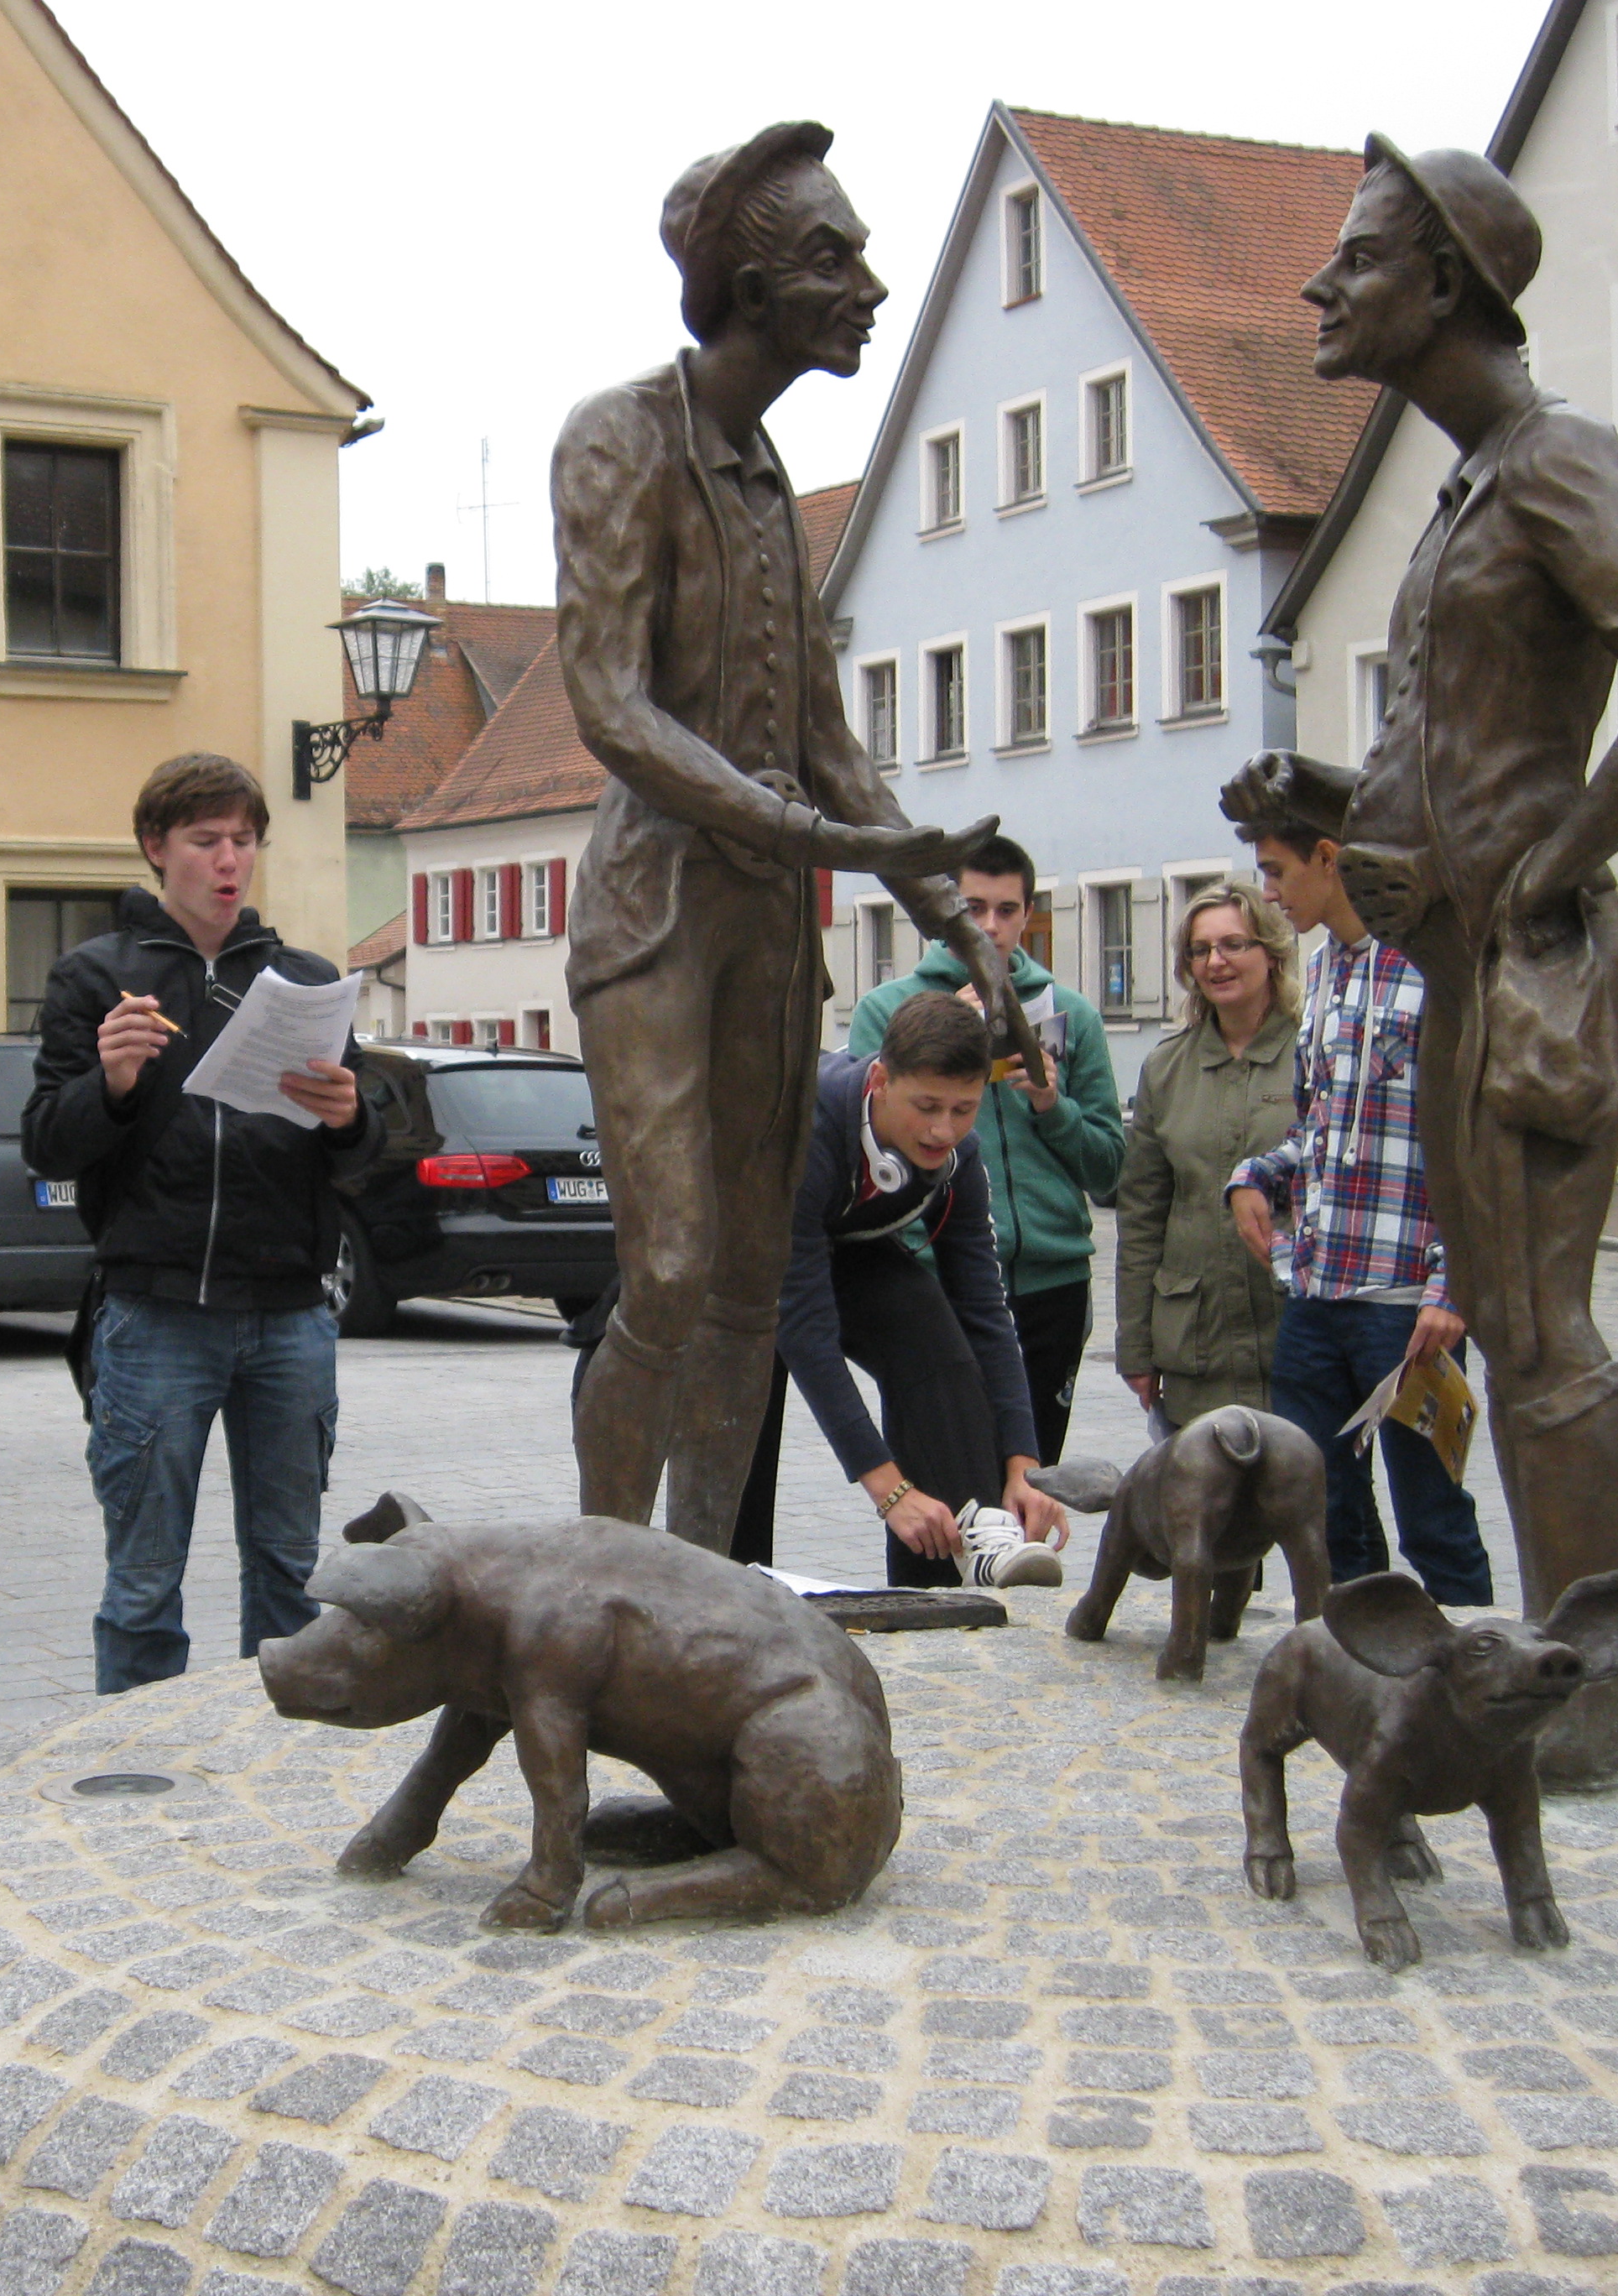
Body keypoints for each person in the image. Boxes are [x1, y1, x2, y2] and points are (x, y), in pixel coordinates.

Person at [1222, 140, 1618, 1787]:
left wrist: (1551, 865)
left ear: (1444, 282)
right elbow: (1469, 756)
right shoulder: (1468, 486)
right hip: (1463, 965)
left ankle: (1581, 1700)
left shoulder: (1555, 457)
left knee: (1535, 1333)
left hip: (1527, 974)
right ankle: (1557, 1682)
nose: (1321, 286)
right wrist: (1333, 802)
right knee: (1522, 1334)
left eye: (1358, 258)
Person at [554, 120, 1020, 1555]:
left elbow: (828, 742)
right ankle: (605, 1573)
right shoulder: (620, 438)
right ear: (752, 289)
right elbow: (608, 702)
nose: (870, 287)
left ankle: (696, 1585)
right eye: (836, 259)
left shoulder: (768, 486)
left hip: (765, 919)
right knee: (671, 1268)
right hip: (654, 916)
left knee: (752, 1285)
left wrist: (950, 918)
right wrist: (785, 821)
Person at [23, 754, 373, 1695]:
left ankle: (283, 1755)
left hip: (290, 1313)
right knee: (143, 1583)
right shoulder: (96, 976)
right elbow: (48, 1145)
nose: (229, 860)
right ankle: (136, 1762)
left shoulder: (303, 980)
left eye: (244, 841)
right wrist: (112, 1084)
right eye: (206, 840)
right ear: (156, 847)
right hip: (156, 1312)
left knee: (292, 1576)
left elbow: (361, 1156)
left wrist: (351, 1117)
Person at [1226, 806, 1491, 1605]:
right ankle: (1357, 1653)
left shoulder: (1438, 964)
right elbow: (1321, 1130)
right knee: (1321, 1507)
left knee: (1433, 1518)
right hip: (1317, 1292)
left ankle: (1478, 1660)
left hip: (1406, 1305)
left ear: (1329, 857)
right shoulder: (1322, 972)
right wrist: (1255, 1176)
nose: (1271, 894)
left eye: (1277, 872)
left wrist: (1453, 1284)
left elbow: (1478, 1138)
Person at [763, 991, 1068, 1587]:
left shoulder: (959, 1159)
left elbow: (985, 1312)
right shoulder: (808, 1128)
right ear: (880, 1081)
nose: (943, 1129)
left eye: (963, 1109)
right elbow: (804, 1328)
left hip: (847, 1240)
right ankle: (733, 1580)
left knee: (929, 1330)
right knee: (744, 1391)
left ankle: (967, 1549)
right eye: (926, 1106)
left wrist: (1023, 1468)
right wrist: (889, 1490)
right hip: (729, 1251)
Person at [847, 835, 1121, 1462]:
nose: (990, 927)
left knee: (1033, 1473)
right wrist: (942, 1036)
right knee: (942, 1476)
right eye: (972, 909)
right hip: (937, 1283)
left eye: (1006, 910)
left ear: (1028, 914)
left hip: (1051, 1279)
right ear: (943, 911)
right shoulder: (888, 1012)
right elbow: (868, 1161)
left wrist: (1053, 1106)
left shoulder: (1070, 1014)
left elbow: (1110, 1168)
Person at [1118, 883, 1300, 1427]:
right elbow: (1142, 1215)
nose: (1216, 962)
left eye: (1233, 945)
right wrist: (1135, 1346)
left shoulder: (1313, 1051)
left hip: (1295, 1333)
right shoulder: (1166, 1069)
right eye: (1200, 950)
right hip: (1198, 1342)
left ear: (1271, 953)